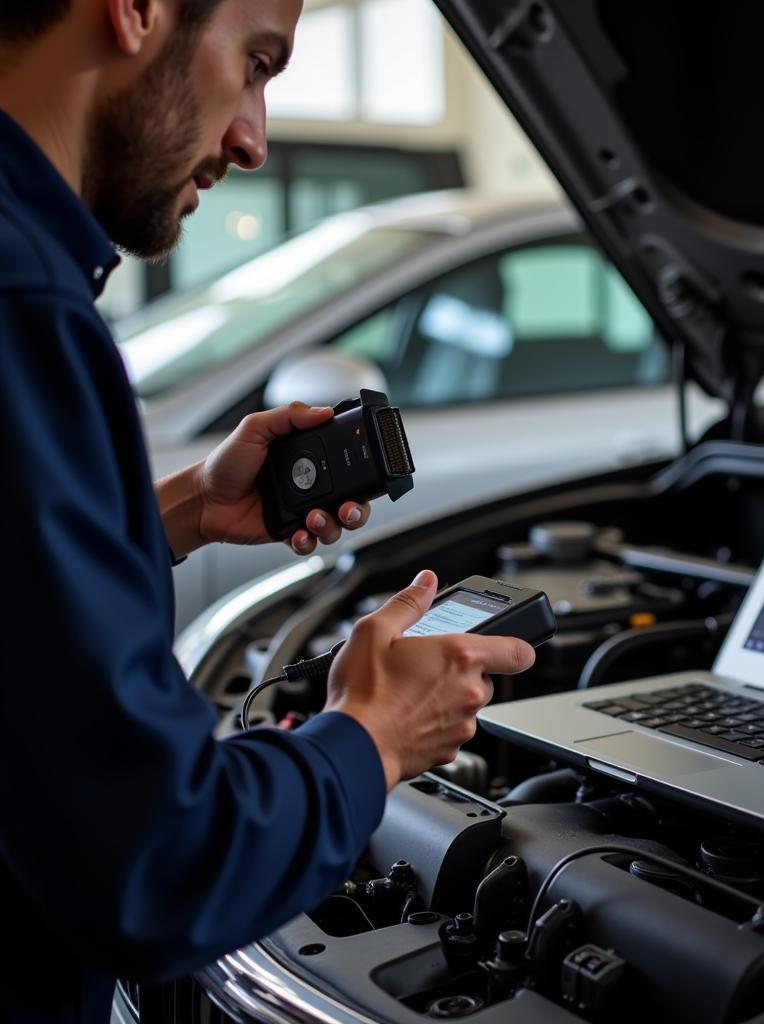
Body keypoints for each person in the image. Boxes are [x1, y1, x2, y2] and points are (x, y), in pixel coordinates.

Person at [0, 1, 536, 1021]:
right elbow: (156, 865)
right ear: (138, 11)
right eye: (254, 62)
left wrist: (183, 511)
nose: (251, 134)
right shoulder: (25, 304)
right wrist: (372, 734)